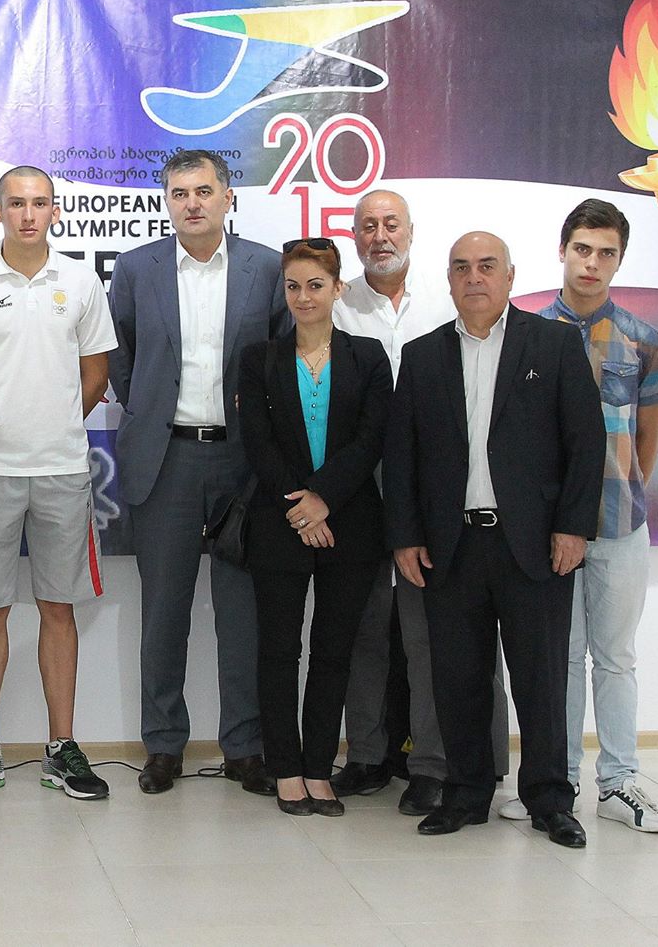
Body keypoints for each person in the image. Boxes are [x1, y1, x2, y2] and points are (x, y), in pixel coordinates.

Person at [387, 231, 603, 849]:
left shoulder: (554, 344)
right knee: (458, 677)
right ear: (449, 281)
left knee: (541, 678)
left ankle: (550, 800)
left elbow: (585, 443)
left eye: (487, 266)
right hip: (451, 544)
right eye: (461, 268)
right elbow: (402, 454)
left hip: (533, 544)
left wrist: (573, 527)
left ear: (510, 277)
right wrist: (405, 536)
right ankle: (466, 793)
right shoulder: (423, 356)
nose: (474, 277)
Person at [109, 149, 289, 795]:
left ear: (227, 197)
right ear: (167, 200)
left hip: (243, 461)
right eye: (180, 193)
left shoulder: (267, 268)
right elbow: (122, 359)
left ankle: (244, 746)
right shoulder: (137, 269)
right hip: (168, 459)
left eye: (204, 191)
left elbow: (282, 358)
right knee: (164, 611)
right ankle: (163, 745)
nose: (192, 203)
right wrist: (152, 409)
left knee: (243, 615)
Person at [0, 166, 116, 802]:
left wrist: (59, 423)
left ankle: (61, 746)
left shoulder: (80, 281)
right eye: (16, 204)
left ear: (55, 211)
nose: (28, 214)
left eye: (40, 203)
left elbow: (95, 373)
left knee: (57, 608)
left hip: (63, 469)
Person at [500, 199, 658, 833]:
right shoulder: (523, 332)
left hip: (619, 523)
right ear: (562, 251)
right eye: (582, 249)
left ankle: (619, 782)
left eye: (606, 253)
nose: (591, 263)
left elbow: (649, 436)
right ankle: (559, 780)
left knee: (616, 656)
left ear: (620, 260)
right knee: (560, 658)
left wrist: (620, 491)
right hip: (545, 528)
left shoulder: (645, 340)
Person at [330, 189, 508, 814]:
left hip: (436, 495)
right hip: (357, 492)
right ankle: (367, 755)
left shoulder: (446, 300)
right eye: (367, 226)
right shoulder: (336, 304)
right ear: (354, 235)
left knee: (431, 633)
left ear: (411, 232)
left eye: (391, 224)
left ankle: (434, 762)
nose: (380, 236)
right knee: (363, 631)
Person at [236, 238, 391, 816]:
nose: (304, 297)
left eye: (316, 286)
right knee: (278, 650)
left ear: (338, 289)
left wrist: (324, 499)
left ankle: (320, 768)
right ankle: (285, 769)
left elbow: (372, 439)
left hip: (350, 523)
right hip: (280, 524)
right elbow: (259, 444)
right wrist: (302, 509)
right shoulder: (259, 358)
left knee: (333, 652)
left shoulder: (368, 356)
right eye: (294, 286)